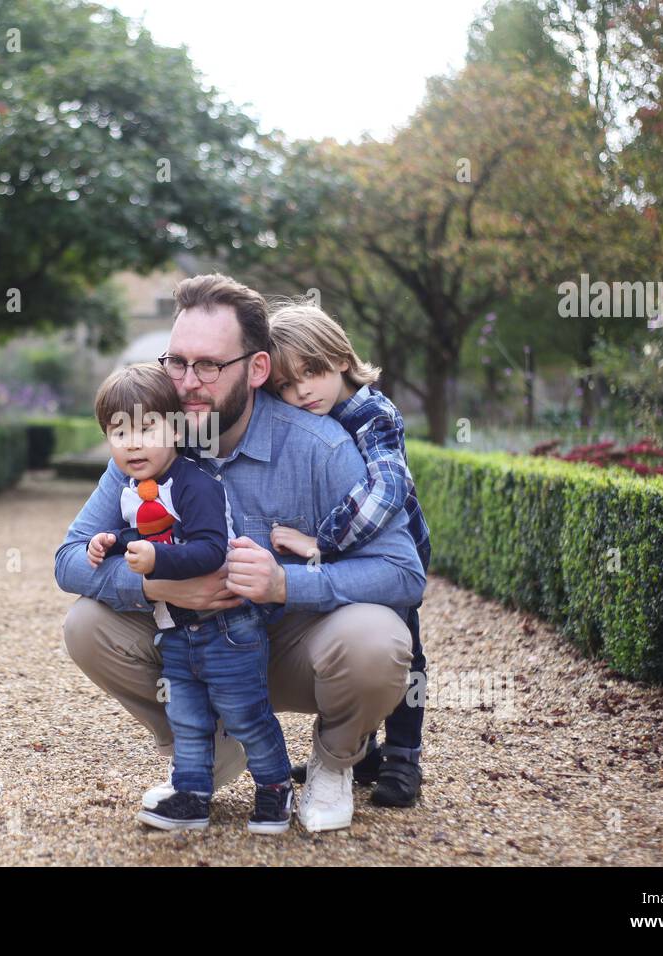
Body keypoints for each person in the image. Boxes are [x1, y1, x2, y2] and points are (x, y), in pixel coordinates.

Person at [55, 273, 424, 832]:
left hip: (302, 645)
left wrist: (285, 583)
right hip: (197, 649)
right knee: (85, 624)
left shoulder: (322, 447)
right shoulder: (147, 443)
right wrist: (156, 586)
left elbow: (403, 573)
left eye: (208, 365)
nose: (186, 382)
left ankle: (333, 759)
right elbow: (68, 559)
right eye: (176, 362)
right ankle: (209, 746)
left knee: (379, 639)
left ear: (255, 370)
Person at [85, 363, 294, 833]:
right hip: (176, 632)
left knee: (245, 713)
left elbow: (207, 550)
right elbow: (139, 531)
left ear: (176, 427)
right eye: (118, 433)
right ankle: (192, 794)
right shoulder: (132, 489)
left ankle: (275, 787)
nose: (132, 443)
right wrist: (111, 543)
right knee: (187, 718)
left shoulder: (195, 483)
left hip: (228, 630)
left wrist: (153, 563)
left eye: (145, 428)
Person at [262, 297, 432, 807]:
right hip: (344, 555)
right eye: (286, 385)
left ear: (339, 357)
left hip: (387, 553)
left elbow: (387, 488)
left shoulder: (372, 414)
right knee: (345, 638)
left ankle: (404, 760)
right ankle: (360, 751)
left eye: (310, 372)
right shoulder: (318, 416)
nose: (301, 391)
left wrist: (324, 541)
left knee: (404, 651)